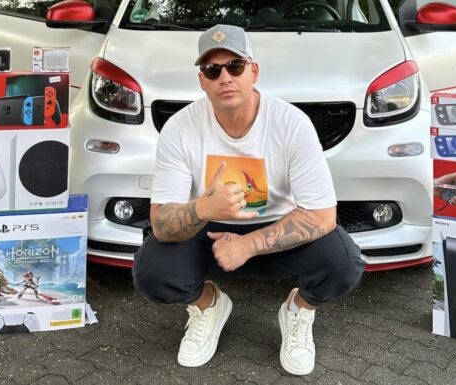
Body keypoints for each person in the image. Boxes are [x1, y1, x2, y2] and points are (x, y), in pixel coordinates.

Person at [132, 24, 363, 375]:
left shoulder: (291, 124)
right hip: (207, 229)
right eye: (213, 70)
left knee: (343, 263)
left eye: (235, 66)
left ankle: (298, 310)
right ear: (202, 81)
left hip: (276, 228)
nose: (225, 77)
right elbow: (162, 223)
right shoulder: (179, 128)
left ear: (254, 72)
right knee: (152, 272)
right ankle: (208, 305)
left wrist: (248, 244)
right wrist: (203, 208)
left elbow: (322, 216)